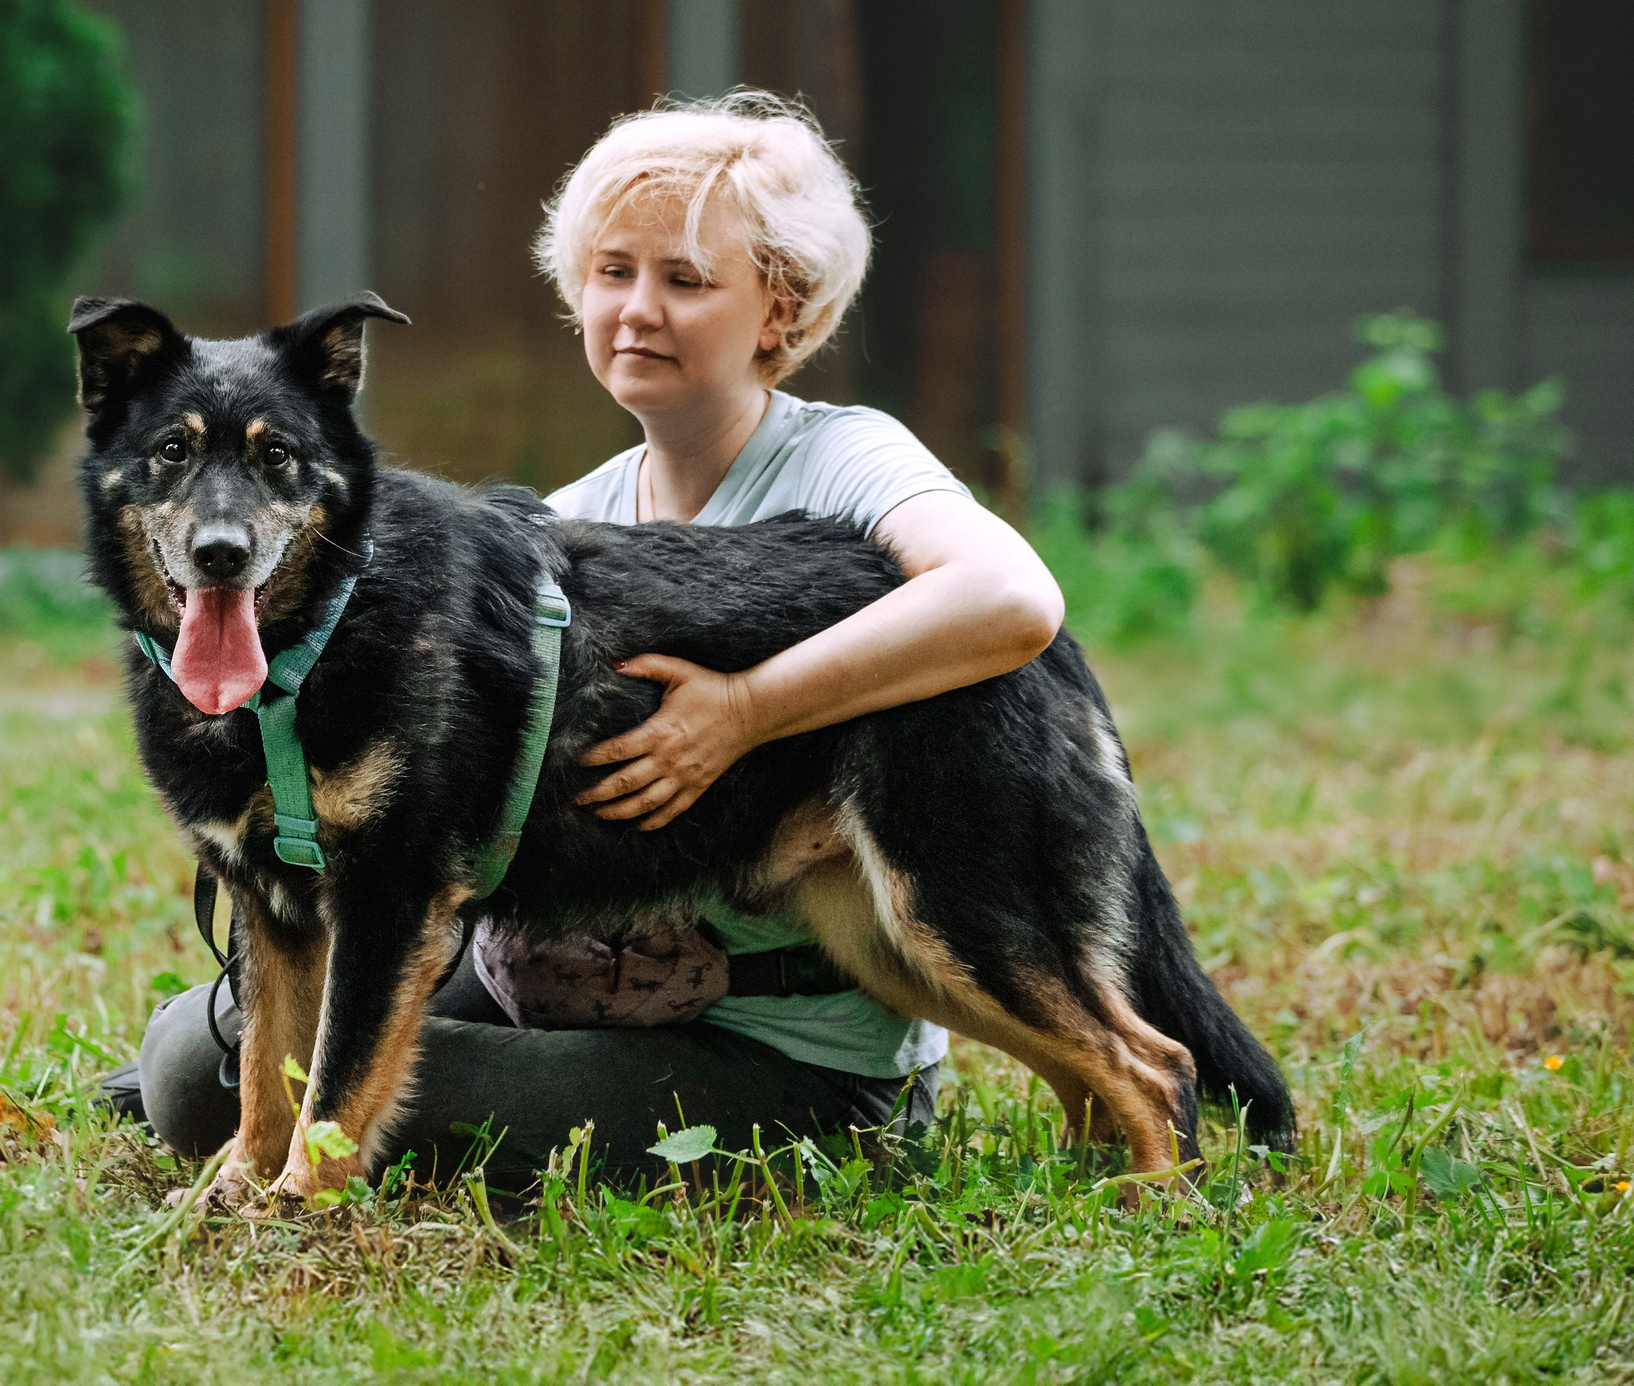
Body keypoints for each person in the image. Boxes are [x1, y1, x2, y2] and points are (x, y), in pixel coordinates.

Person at [100, 92, 1065, 1191]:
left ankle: (838, 1128)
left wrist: (745, 710)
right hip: (550, 970)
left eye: (684, 279)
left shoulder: (845, 461)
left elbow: (1008, 595)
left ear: (780, 308)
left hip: (759, 1039)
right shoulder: (567, 519)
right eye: (612, 272)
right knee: (203, 1057)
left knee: (256, 1084)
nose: (636, 309)